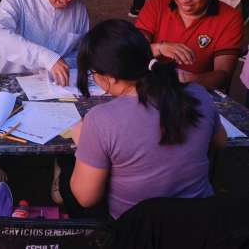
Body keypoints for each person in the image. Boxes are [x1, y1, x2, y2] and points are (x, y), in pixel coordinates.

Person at [64, 19, 226, 219]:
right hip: (202, 223)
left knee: (67, 180)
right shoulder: (198, 93)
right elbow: (220, 141)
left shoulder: (100, 120)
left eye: (93, 73)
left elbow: (86, 198)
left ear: (111, 76)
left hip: (140, 232)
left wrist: (84, 145)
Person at [135, 0, 242, 90]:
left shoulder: (230, 18)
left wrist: (190, 81)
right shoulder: (157, 3)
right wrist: (159, 48)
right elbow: (132, 50)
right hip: (151, 84)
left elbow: (223, 75)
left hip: (197, 91)